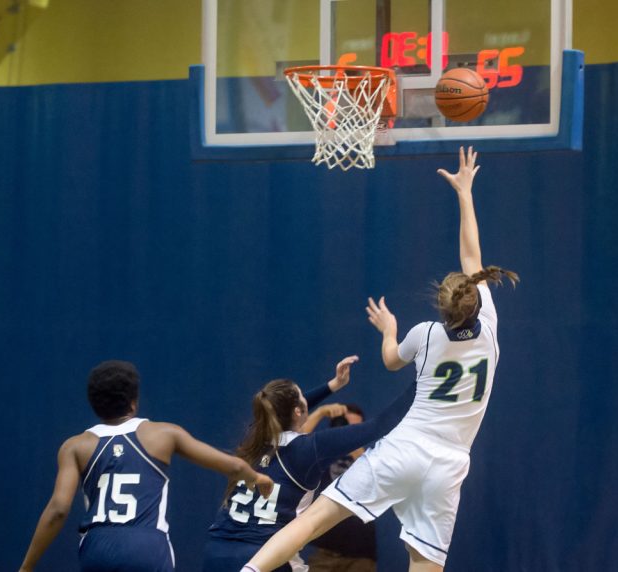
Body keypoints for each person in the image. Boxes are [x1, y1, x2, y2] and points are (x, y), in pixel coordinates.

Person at [241, 146, 519, 572]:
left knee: (314, 520)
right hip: (449, 465)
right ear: (476, 300)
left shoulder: (425, 335)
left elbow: (391, 361)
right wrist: (466, 192)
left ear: (441, 309)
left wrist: (389, 330)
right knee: (425, 562)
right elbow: (472, 258)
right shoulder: (491, 328)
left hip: (405, 447)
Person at [18, 360, 273, 572]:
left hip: (97, 547)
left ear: (94, 403)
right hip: (147, 545)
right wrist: (257, 478)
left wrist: (27, 566)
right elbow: (233, 467)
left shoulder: (75, 446)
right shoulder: (163, 434)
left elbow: (58, 509)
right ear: (133, 402)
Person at [202, 357, 414, 572]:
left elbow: (282, 410)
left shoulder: (255, 441)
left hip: (216, 554)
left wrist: (332, 386)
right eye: (303, 396)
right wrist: (426, 380)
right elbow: (379, 425)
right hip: (264, 558)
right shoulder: (308, 448)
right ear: (297, 410)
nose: (306, 399)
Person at [306, 405, 378, 572]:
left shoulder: (370, 457)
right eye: (346, 427)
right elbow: (296, 442)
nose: (349, 432)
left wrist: (352, 444)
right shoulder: (322, 454)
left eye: (355, 428)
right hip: (325, 552)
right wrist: (320, 412)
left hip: (361, 555)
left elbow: (376, 478)